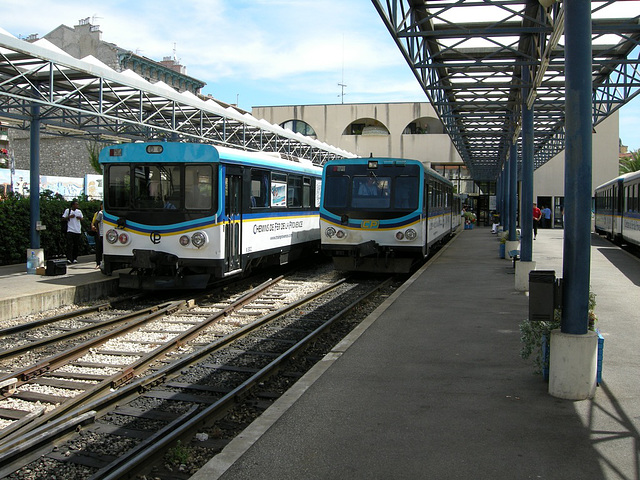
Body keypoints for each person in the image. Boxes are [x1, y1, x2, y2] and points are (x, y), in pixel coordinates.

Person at [91, 203, 104, 269]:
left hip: (107, 234)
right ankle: (98, 263)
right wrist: (98, 232)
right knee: (99, 249)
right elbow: (95, 222)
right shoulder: (100, 213)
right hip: (101, 234)